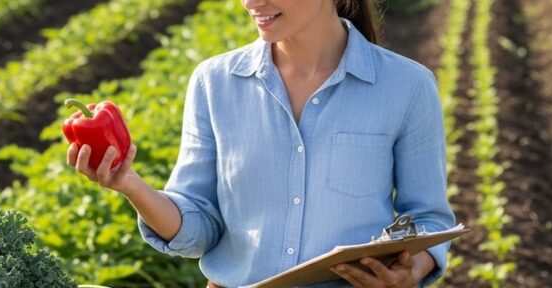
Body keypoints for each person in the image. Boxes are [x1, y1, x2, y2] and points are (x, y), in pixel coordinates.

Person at [67, 0, 455, 286]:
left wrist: (412, 271)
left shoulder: (407, 86)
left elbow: (429, 217)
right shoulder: (215, 82)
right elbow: (200, 225)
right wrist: (130, 185)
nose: (252, 2)